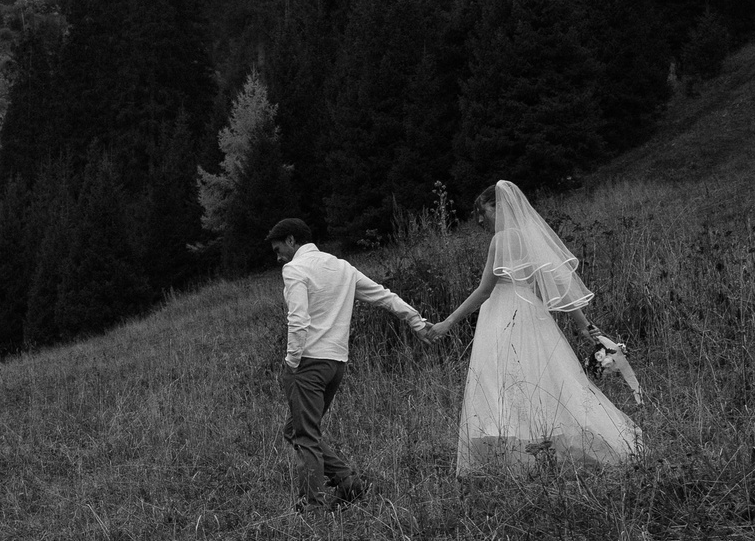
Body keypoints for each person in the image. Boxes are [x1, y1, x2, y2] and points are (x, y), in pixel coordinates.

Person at [426, 181, 640, 474]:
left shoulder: (502, 239)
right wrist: (583, 325)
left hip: (504, 316)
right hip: (532, 315)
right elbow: (553, 286)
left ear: (500, 207)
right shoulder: (529, 237)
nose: (479, 219)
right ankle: (542, 449)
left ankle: (519, 456)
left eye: (483, 210)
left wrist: (448, 322)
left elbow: (484, 290)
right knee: (545, 380)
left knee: (503, 382)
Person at [267, 218, 432, 505]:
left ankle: (313, 507)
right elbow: (384, 296)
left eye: (278, 247)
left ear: (292, 240)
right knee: (296, 430)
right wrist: (417, 323)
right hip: (336, 365)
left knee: (304, 435)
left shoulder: (295, 269)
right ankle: (347, 482)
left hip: (307, 363)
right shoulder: (343, 267)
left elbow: (298, 318)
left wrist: (292, 361)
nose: (278, 255)